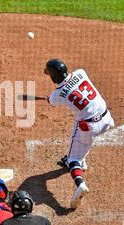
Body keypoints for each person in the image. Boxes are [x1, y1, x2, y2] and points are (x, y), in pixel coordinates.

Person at [44, 58, 115, 208]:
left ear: (53, 76)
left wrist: (48, 99)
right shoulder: (81, 73)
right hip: (107, 118)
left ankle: (80, 183)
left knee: (72, 158)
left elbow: (53, 101)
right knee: (81, 140)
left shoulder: (58, 93)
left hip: (89, 127)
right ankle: (81, 159)